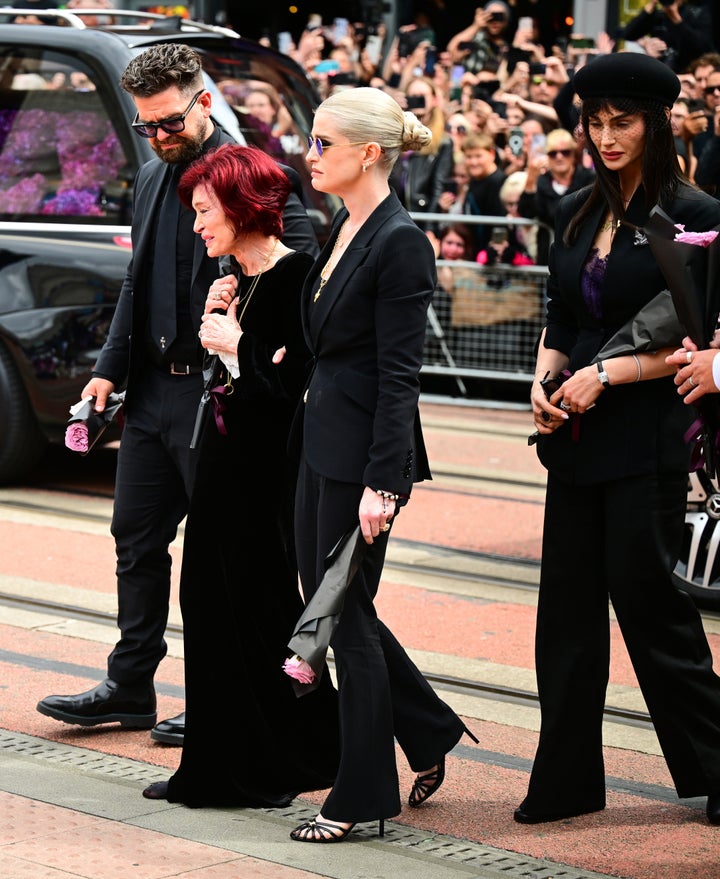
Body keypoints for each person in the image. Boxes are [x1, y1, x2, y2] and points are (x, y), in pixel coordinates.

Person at [35, 44, 318, 747]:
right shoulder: (156, 178)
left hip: (219, 398)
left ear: (202, 103)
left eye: (168, 123)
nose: (158, 137)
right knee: (135, 538)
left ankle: (223, 694)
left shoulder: (259, 177)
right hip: (153, 396)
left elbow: (299, 281)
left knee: (228, 556)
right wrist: (107, 369)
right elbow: (139, 281)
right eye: (145, 127)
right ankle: (131, 683)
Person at [523, 51, 720, 827]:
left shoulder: (696, 212)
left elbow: (694, 337)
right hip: (573, 441)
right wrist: (541, 387)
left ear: (657, 123)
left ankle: (716, 765)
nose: (605, 137)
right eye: (595, 123)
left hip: (648, 436)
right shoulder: (574, 209)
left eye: (622, 122)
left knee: (656, 613)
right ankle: (566, 779)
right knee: (562, 620)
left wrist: (604, 378)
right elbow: (563, 317)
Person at [290, 86, 476, 844]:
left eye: (323, 142)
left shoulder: (400, 239)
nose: (309, 153)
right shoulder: (345, 223)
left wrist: (384, 481)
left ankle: (362, 794)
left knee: (344, 616)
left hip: (362, 456)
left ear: (369, 152)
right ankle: (426, 730)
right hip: (319, 440)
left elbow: (402, 374)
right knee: (329, 601)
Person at [140, 143, 339, 806]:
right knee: (212, 607)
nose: (197, 224)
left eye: (204, 210)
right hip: (226, 466)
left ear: (241, 205)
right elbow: (247, 376)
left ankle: (267, 762)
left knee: (255, 613)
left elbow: (298, 386)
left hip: (265, 474)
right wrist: (225, 336)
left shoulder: (297, 277)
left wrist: (237, 346)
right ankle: (224, 761)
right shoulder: (241, 280)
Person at [517, 127, 595, 264]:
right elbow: (527, 213)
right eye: (553, 153)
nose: (559, 157)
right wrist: (530, 180)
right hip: (549, 255)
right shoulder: (542, 181)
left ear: (573, 154)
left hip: (583, 253)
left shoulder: (588, 179)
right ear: (546, 156)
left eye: (565, 152)